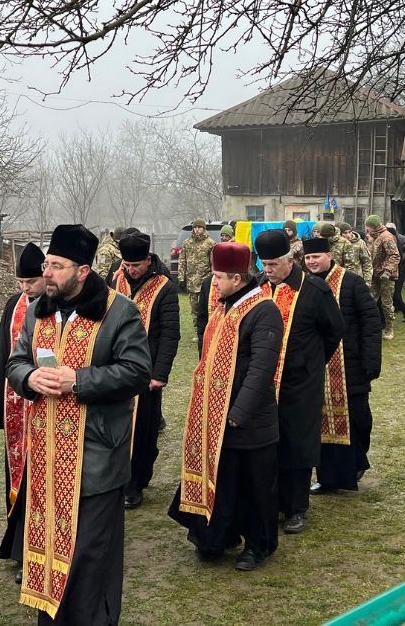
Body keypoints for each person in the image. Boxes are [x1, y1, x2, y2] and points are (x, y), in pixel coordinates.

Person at [6, 224, 152, 625]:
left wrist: (80, 380)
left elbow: (138, 373)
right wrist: (29, 378)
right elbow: (16, 360)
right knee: (48, 548)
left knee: (89, 555)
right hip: (48, 454)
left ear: (83, 270)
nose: (46, 274)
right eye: (46, 265)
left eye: (56, 266)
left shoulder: (120, 311)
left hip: (97, 458)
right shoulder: (40, 309)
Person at [168, 241, 282, 571]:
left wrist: (239, 412)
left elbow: (262, 366)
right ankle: (217, 537)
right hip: (214, 414)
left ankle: (259, 545)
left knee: (256, 486)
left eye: (218, 277)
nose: (213, 283)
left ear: (237, 277)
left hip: (247, 418)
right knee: (225, 479)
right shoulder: (224, 306)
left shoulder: (263, 310)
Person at [254, 229, 345, 535]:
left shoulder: (314, 290)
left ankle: (296, 507)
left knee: (297, 442)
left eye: (273, 265)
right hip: (264, 382)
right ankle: (272, 500)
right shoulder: (258, 288)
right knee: (267, 441)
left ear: (289, 260)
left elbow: (334, 331)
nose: (268, 271)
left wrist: (311, 361)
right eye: (263, 265)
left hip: (300, 382)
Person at [0, 243, 47, 581]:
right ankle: (21, 549)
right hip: (16, 410)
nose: (25, 289)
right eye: (20, 283)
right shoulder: (13, 306)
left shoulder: (57, 307)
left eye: (30, 283)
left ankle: (39, 548)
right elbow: (1, 355)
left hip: (47, 410)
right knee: (19, 479)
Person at [302, 237, 382, 493]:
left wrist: (371, 361)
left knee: (359, 419)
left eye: (316, 257)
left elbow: (371, 322)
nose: (312, 262)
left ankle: (358, 461)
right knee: (323, 425)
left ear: (329, 255)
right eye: (307, 258)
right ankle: (330, 478)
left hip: (352, 365)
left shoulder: (352, 282)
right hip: (317, 368)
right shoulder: (305, 285)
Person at [110, 231, 181, 509]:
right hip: (114, 367)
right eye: (127, 265)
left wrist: (159, 374)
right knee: (115, 427)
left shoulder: (164, 286)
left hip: (146, 371)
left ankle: (136, 483)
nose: (130, 270)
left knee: (143, 430)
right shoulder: (114, 281)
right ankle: (116, 479)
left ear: (147, 260)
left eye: (135, 265)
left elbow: (170, 334)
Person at [178, 218, 215, 346]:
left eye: (200, 227)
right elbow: (182, 260)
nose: (197, 229)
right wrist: (181, 278)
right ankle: (197, 332)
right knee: (194, 309)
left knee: (206, 307)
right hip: (192, 282)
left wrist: (213, 278)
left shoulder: (210, 243)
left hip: (205, 281)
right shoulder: (187, 243)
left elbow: (213, 263)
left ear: (204, 228)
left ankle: (208, 330)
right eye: (195, 227)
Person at [364, 215, 400, 340]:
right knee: (369, 301)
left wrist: (387, 271)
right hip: (374, 275)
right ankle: (370, 327)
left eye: (368, 227)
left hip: (386, 276)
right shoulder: (372, 238)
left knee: (386, 303)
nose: (366, 229)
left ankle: (389, 328)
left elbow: (394, 256)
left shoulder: (387, 237)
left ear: (373, 226)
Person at [386, 223, 405, 322]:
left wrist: (400, 260)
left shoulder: (401, 239)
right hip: (388, 269)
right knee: (389, 293)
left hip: (398, 269)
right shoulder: (386, 239)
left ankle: (404, 310)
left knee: (396, 292)